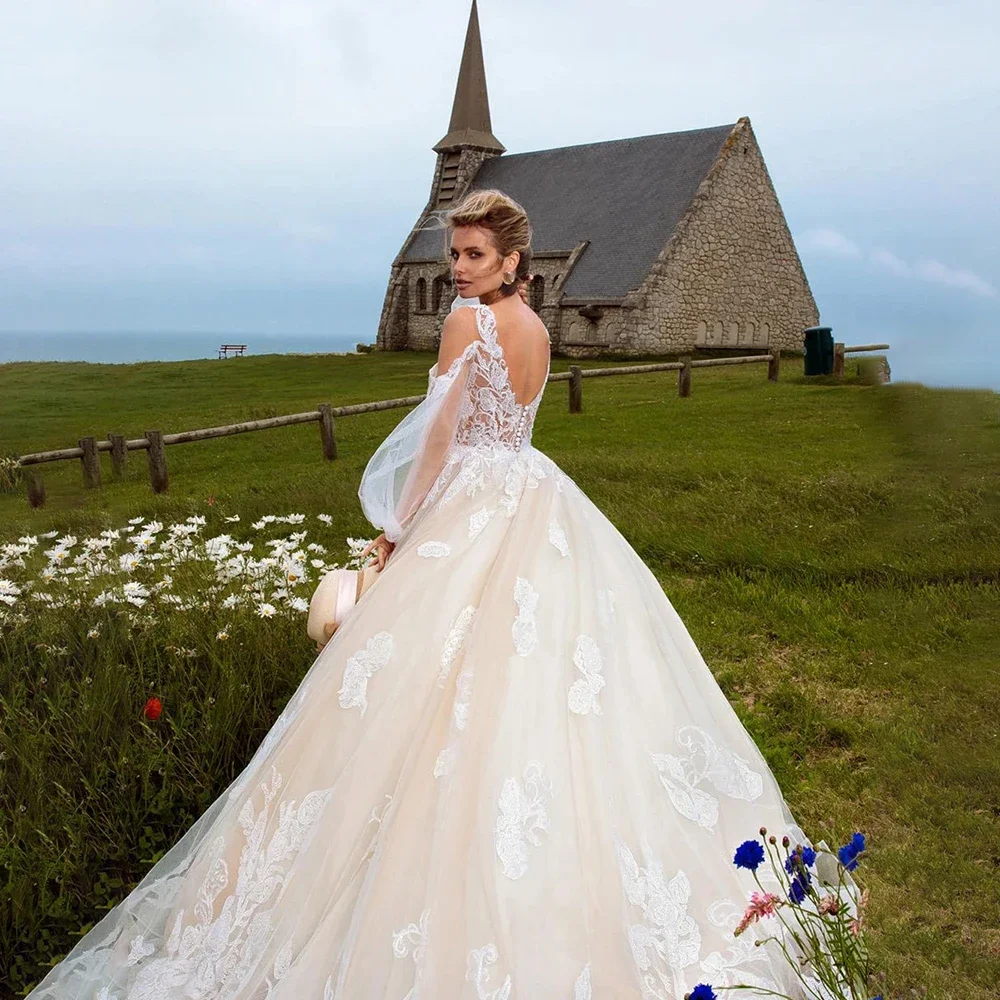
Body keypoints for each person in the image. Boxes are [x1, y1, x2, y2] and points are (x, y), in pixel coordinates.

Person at [26, 190, 846, 999]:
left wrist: (395, 528)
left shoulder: (469, 323)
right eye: (454, 253)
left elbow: (439, 436)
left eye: (473, 254)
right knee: (550, 676)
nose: (457, 267)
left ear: (511, 260)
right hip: (530, 493)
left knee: (428, 678)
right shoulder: (538, 330)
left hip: (469, 500)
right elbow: (513, 425)